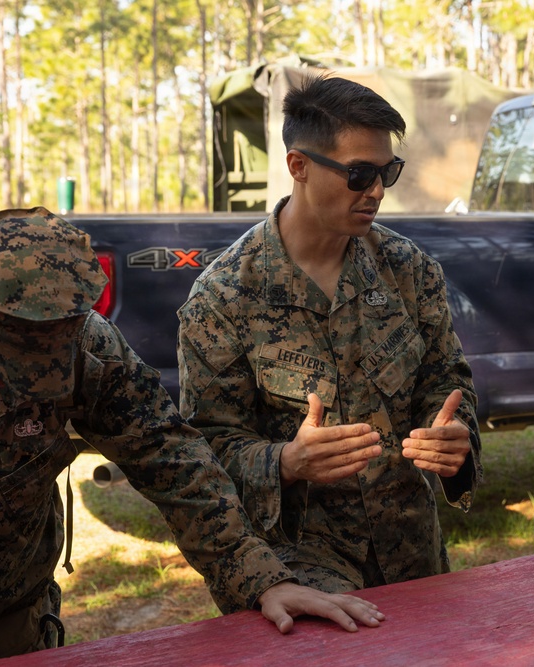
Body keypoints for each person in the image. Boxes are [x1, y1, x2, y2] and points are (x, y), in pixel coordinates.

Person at [0, 207, 384, 667]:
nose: (18, 388)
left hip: (14, 631)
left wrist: (262, 580)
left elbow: (171, 459)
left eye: (43, 375)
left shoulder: (85, 344)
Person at [177, 74, 482, 594]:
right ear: (299, 166)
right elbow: (206, 450)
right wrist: (287, 461)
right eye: (360, 173)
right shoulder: (224, 298)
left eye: (388, 172)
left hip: (414, 561)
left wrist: (457, 444)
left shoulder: (409, 271)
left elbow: (447, 383)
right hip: (300, 568)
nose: (377, 191)